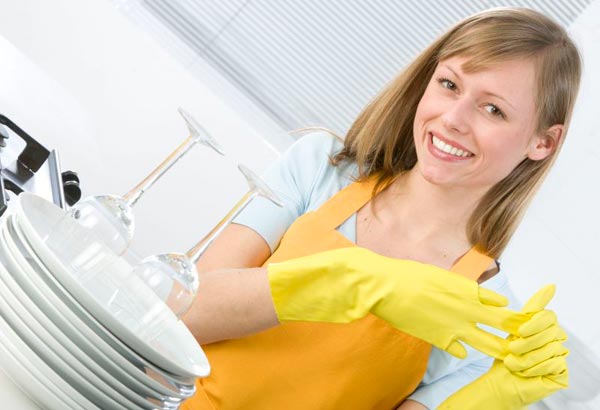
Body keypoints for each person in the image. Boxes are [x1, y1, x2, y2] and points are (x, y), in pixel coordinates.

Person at [181, 7, 581, 410]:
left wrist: (488, 399)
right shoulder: (321, 169)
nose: (453, 119)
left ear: (543, 143)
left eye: (493, 109)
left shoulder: (489, 315)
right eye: (449, 84)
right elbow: (182, 312)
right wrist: (353, 281)